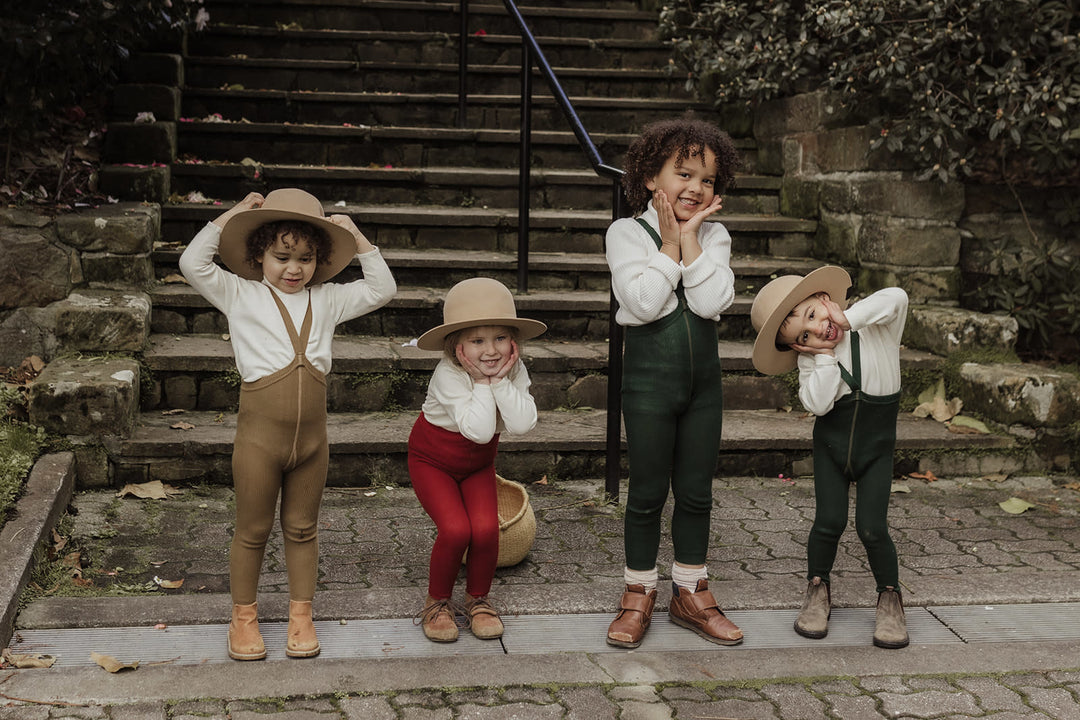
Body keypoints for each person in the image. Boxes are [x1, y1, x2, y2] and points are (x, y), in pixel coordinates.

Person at [179, 188, 397, 660]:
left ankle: (302, 615)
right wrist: (233, 214)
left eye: (305, 258)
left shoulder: (329, 300)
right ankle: (243, 617)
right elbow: (192, 264)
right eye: (282, 257)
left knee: (303, 529)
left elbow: (383, 290)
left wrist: (356, 236)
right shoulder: (239, 294)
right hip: (259, 441)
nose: (294, 269)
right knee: (252, 530)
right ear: (259, 256)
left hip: (313, 444)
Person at [604, 117, 743, 649]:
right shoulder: (625, 233)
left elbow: (711, 304)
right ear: (650, 179)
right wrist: (668, 244)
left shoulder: (716, 236)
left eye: (706, 180)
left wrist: (689, 239)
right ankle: (638, 592)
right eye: (683, 174)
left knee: (696, 492)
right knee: (645, 494)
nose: (696, 188)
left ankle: (690, 590)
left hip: (703, 390)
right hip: (648, 388)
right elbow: (640, 304)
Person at [749, 265, 910, 649]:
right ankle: (817, 590)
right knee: (828, 522)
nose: (818, 330)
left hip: (876, 451)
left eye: (813, 315)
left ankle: (890, 597)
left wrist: (847, 318)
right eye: (804, 336)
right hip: (831, 451)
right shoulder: (812, 362)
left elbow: (898, 298)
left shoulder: (877, 331)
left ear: (825, 300)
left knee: (872, 528)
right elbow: (819, 404)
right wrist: (822, 358)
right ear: (798, 347)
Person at [408, 277, 546, 643]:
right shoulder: (448, 376)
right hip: (431, 461)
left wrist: (501, 381)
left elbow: (522, 423)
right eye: (478, 341)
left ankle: (478, 600)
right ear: (457, 348)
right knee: (457, 529)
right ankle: (437, 601)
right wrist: (484, 384)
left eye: (500, 338)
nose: (491, 351)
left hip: (477, 465)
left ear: (514, 342)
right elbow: (480, 431)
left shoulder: (514, 371)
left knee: (486, 529)